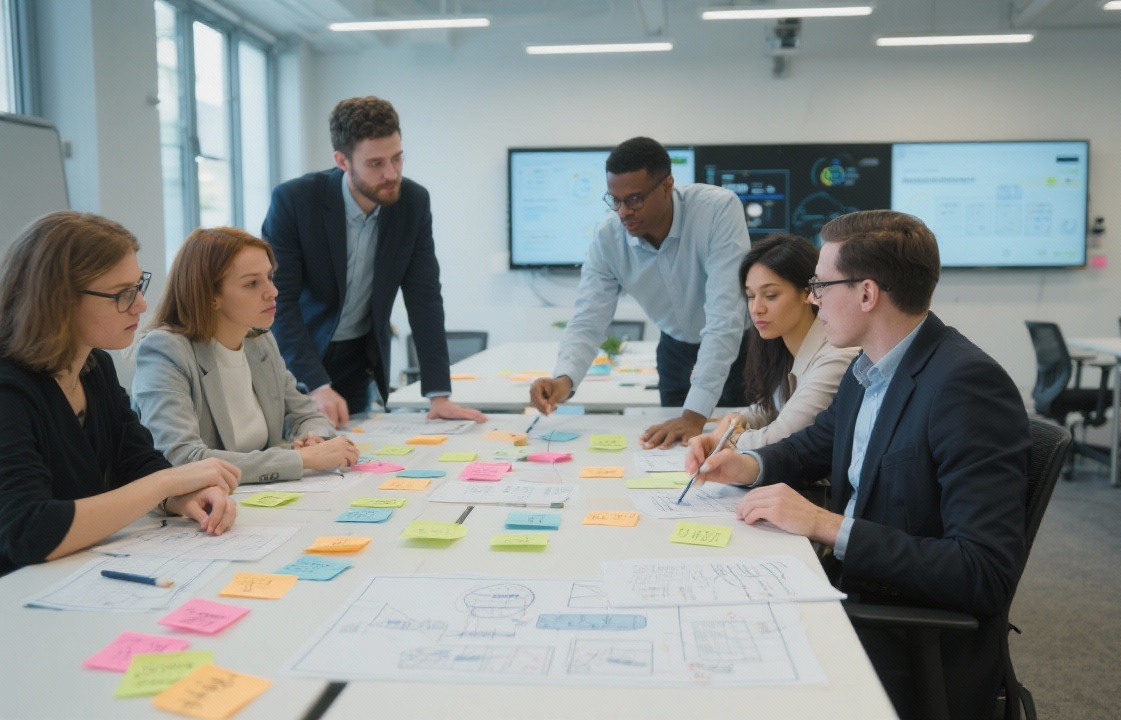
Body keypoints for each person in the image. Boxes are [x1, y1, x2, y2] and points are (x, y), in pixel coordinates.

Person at [686, 210, 1030, 719]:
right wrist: (744, 465)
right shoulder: (869, 367)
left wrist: (826, 525)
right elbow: (812, 448)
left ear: (867, 294)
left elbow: (981, 572)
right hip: (854, 595)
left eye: (821, 285)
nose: (813, 298)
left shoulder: (965, 386)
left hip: (907, 634)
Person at [0, 212, 240, 576]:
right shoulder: (9, 390)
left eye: (138, 286)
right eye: (122, 295)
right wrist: (167, 483)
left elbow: (138, 464)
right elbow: (29, 531)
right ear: (60, 300)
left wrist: (185, 497)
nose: (141, 305)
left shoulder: (95, 367)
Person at [261, 95, 484, 427]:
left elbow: (424, 298)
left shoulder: (413, 203)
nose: (391, 174)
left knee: (353, 456)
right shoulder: (295, 201)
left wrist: (439, 395)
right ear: (342, 160)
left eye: (397, 158)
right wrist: (316, 384)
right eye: (376, 164)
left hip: (357, 359)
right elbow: (280, 301)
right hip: (296, 360)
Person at [529, 136, 750, 448]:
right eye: (614, 200)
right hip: (675, 350)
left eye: (634, 199)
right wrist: (563, 379)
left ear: (667, 186)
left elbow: (724, 317)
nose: (623, 213)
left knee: (740, 447)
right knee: (670, 453)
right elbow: (588, 320)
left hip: (742, 350)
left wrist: (694, 414)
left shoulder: (717, 210)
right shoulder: (609, 237)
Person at [132, 227, 361, 484]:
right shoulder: (165, 350)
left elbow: (306, 414)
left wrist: (314, 439)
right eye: (252, 283)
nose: (272, 291)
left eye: (270, 277)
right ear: (210, 296)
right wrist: (302, 460)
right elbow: (181, 458)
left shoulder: (260, 341)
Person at [706, 234, 858, 451]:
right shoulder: (785, 346)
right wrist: (739, 419)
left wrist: (728, 439)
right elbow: (770, 408)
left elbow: (781, 438)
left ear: (808, 293)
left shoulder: (835, 356)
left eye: (770, 295)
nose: (756, 308)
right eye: (750, 296)